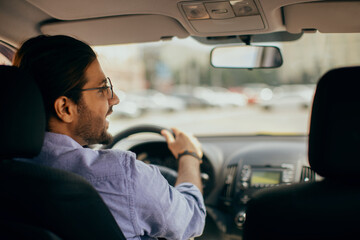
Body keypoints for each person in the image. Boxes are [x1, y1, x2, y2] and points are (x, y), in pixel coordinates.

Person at [13, 35, 205, 240]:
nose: (114, 98)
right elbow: (191, 218)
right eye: (102, 89)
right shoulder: (123, 177)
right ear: (65, 108)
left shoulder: (10, 172)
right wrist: (189, 156)